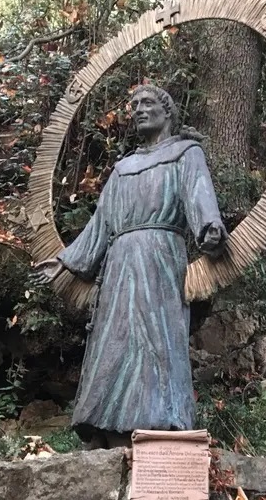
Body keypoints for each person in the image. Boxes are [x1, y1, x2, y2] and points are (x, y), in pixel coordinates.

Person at [31, 85, 227, 449]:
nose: (138, 109)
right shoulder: (122, 169)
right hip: (119, 265)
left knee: (158, 338)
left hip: (160, 260)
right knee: (114, 338)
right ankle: (106, 427)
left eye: (147, 103)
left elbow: (200, 198)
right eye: (134, 104)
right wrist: (64, 263)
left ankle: (163, 422)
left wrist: (209, 228)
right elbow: (100, 226)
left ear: (168, 112)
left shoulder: (187, 154)